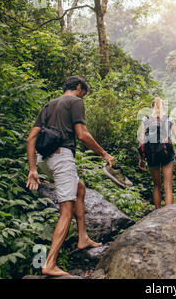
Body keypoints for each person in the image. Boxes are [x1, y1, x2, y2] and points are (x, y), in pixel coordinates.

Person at [25, 76, 115, 276]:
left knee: (79, 188)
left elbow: (31, 137)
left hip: (44, 160)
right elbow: (82, 134)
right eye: (84, 92)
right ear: (78, 88)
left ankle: (82, 238)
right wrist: (104, 154)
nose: (83, 96)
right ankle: (49, 263)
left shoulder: (48, 106)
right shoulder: (75, 101)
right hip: (62, 157)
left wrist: (33, 169)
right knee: (66, 210)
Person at [138, 97, 176, 209]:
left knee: (156, 185)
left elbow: (141, 141)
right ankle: (168, 215)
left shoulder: (146, 119)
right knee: (168, 186)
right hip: (167, 153)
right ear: (163, 107)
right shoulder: (169, 119)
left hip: (151, 155)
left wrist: (141, 159)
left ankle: (157, 213)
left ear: (152, 107)